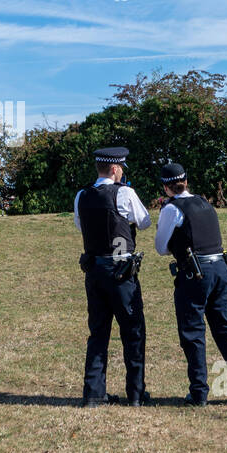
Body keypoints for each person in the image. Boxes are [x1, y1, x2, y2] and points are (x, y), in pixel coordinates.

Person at [153, 162, 227, 406]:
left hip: (195, 273)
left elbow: (160, 248)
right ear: (186, 181)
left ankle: (198, 392)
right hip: (220, 267)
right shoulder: (203, 202)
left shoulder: (171, 209)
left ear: (166, 187)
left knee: (193, 334)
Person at [73, 146, 152, 407]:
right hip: (121, 272)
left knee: (98, 332)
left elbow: (79, 224)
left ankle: (94, 394)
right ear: (116, 169)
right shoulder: (125, 193)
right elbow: (144, 221)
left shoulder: (82, 195)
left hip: (94, 270)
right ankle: (136, 394)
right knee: (132, 331)